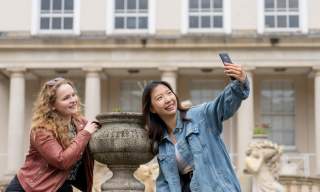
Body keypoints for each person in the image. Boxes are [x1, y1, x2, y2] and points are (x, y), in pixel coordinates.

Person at [142, 63, 249, 191]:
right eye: (160, 98)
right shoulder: (161, 142)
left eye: (169, 93)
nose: (168, 99)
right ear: (152, 109)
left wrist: (239, 83)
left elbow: (223, 105)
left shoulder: (199, 115)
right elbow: (165, 181)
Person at [6, 77, 100, 192]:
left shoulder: (79, 123)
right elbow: (62, 161)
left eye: (73, 95)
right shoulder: (41, 130)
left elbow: (97, 128)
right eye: (66, 98)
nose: (73, 100)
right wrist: (85, 134)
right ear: (52, 105)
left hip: (61, 185)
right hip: (31, 187)